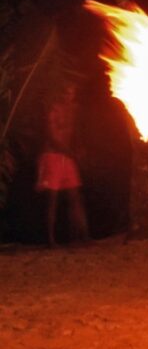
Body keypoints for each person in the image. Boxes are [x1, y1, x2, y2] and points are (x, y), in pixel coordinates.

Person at [36, 82, 89, 247]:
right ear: (60, 93)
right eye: (66, 92)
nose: (69, 95)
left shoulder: (74, 109)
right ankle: (50, 240)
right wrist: (70, 152)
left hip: (67, 157)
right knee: (52, 199)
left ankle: (83, 236)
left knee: (75, 197)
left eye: (72, 92)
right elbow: (51, 135)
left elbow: (75, 131)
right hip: (52, 156)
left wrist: (79, 147)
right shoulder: (53, 109)